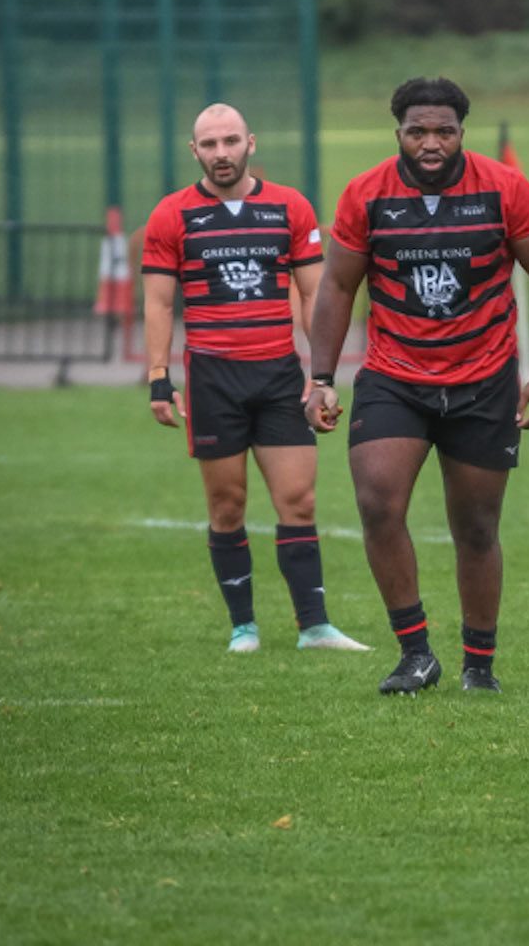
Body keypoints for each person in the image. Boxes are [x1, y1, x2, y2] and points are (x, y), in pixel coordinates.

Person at [306, 76, 529, 696]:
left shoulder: (504, 190)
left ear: (462, 133)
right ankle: (416, 653)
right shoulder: (366, 195)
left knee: (477, 527)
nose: (431, 143)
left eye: (444, 131)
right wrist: (320, 377)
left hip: (484, 380)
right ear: (397, 131)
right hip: (394, 377)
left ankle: (479, 664)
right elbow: (339, 287)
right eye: (418, 131)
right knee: (377, 503)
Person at [140, 102, 368, 658]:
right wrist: (158, 378)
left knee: (300, 500)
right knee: (227, 506)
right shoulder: (171, 215)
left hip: (279, 377)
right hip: (213, 378)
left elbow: (316, 295)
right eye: (210, 145)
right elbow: (159, 302)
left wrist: (321, 377)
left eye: (231, 141)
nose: (222, 153)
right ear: (194, 151)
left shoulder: (289, 207)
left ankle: (314, 628)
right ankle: (244, 628)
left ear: (252, 143)